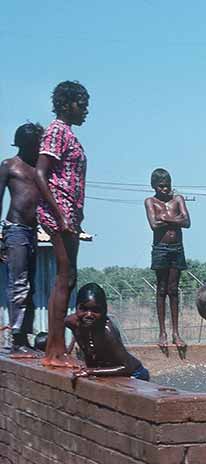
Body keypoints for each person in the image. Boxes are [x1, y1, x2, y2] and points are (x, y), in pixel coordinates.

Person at [35, 81, 90, 369]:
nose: (86, 111)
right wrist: (61, 215)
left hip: (70, 213)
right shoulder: (56, 131)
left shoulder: (67, 133)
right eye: (82, 105)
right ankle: (54, 352)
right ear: (67, 104)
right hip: (61, 212)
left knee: (68, 278)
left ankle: (58, 349)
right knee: (63, 276)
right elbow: (40, 174)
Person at [1, 122, 51, 356]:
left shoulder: (39, 169)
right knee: (18, 284)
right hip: (15, 229)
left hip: (33, 230)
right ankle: (16, 338)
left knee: (29, 285)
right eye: (34, 144)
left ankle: (24, 336)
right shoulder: (9, 166)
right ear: (23, 144)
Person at [144, 168, 191, 352]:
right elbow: (154, 225)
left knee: (174, 290)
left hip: (176, 248)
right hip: (160, 248)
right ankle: (162, 332)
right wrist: (175, 218)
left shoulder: (178, 199)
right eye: (161, 186)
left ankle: (176, 333)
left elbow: (187, 222)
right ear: (154, 186)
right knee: (161, 289)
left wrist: (166, 217)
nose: (165, 190)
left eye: (168, 186)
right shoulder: (150, 201)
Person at [64, 284, 149, 381]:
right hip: (104, 370)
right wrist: (66, 354)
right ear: (76, 307)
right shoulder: (72, 322)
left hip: (134, 373)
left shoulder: (107, 331)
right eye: (83, 309)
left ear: (104, 310)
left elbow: (126, 367)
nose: (88, 314)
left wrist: (90, 371)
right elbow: (65, 329)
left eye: (95, 310)